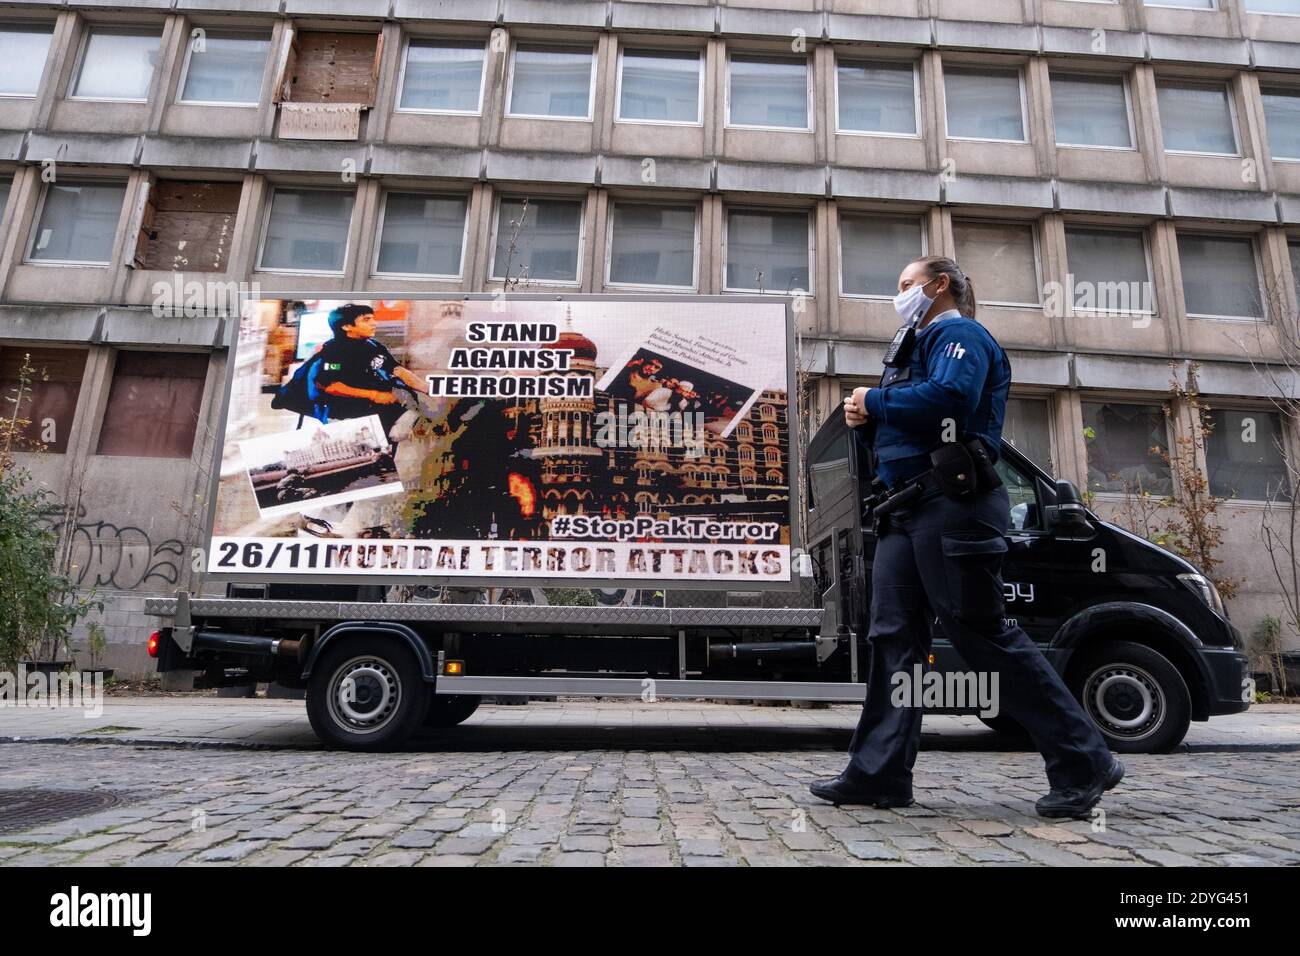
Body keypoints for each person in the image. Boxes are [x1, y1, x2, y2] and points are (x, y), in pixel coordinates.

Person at [809, 255, 1124, 819]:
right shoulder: (917, 343)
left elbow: (951, 400)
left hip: (952, 504)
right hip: (905, 510)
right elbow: (914, 415)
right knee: (894, 637)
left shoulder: (960, 333)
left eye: (907, 285)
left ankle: (1085, 760)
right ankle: (879, 773)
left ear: (940, 285)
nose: (900, 295)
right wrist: (866, 418)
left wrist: (872, 401)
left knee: (981, 634)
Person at [310, 304, 427, 441]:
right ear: (347, 326)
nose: (374, 323)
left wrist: (428, 388)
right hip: (350, 417)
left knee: (385, 454)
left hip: (382, 412)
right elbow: (329, 386)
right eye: (366, 320)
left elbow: (397, 370)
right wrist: (374, 395)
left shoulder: (374, 345)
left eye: (373, 318)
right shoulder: (332, 351)